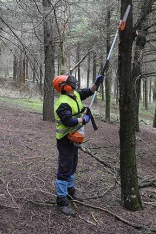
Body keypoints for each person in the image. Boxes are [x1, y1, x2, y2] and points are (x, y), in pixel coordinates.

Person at [52, 73, 104, 216]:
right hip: (64, 139)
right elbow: (67, 121)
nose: (74, 83)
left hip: (73, 138)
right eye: (71, 82)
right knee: (64, 168)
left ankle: (70, 191)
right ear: (64, 86)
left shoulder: (73, 95)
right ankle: (61, 200)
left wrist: (96, 83)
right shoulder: (63, 103)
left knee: (73, 165)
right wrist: (83, 119)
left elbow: (88, 92)